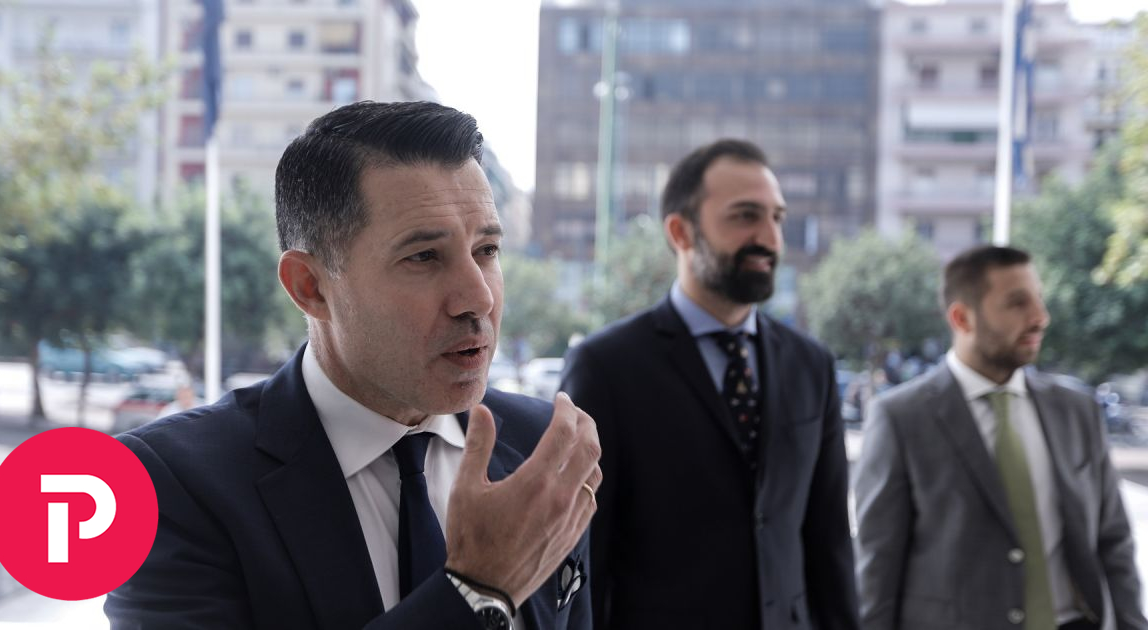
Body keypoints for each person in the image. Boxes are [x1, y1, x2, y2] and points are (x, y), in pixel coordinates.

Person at [106, 101, 601, 630]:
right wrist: (477, 590)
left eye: (487, 250)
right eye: (424, 257)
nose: (478, 297)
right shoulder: (164, 487)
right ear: (310, 287)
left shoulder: (542, 449)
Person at [560, 139, 859, 629]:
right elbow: (585, 551)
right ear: (681, 231)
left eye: (777, 218)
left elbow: (829, 543)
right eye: (745, 216)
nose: (770, 238)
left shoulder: (812, 365)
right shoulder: (605, 366)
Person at [854, 245, 1147, 630]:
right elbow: (878, 569)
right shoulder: (901, 419)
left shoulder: (1077, 411)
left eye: (1038, 299)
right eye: (1017, 303)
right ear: (962, 318)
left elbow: (1114, 542)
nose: (1040, 317)